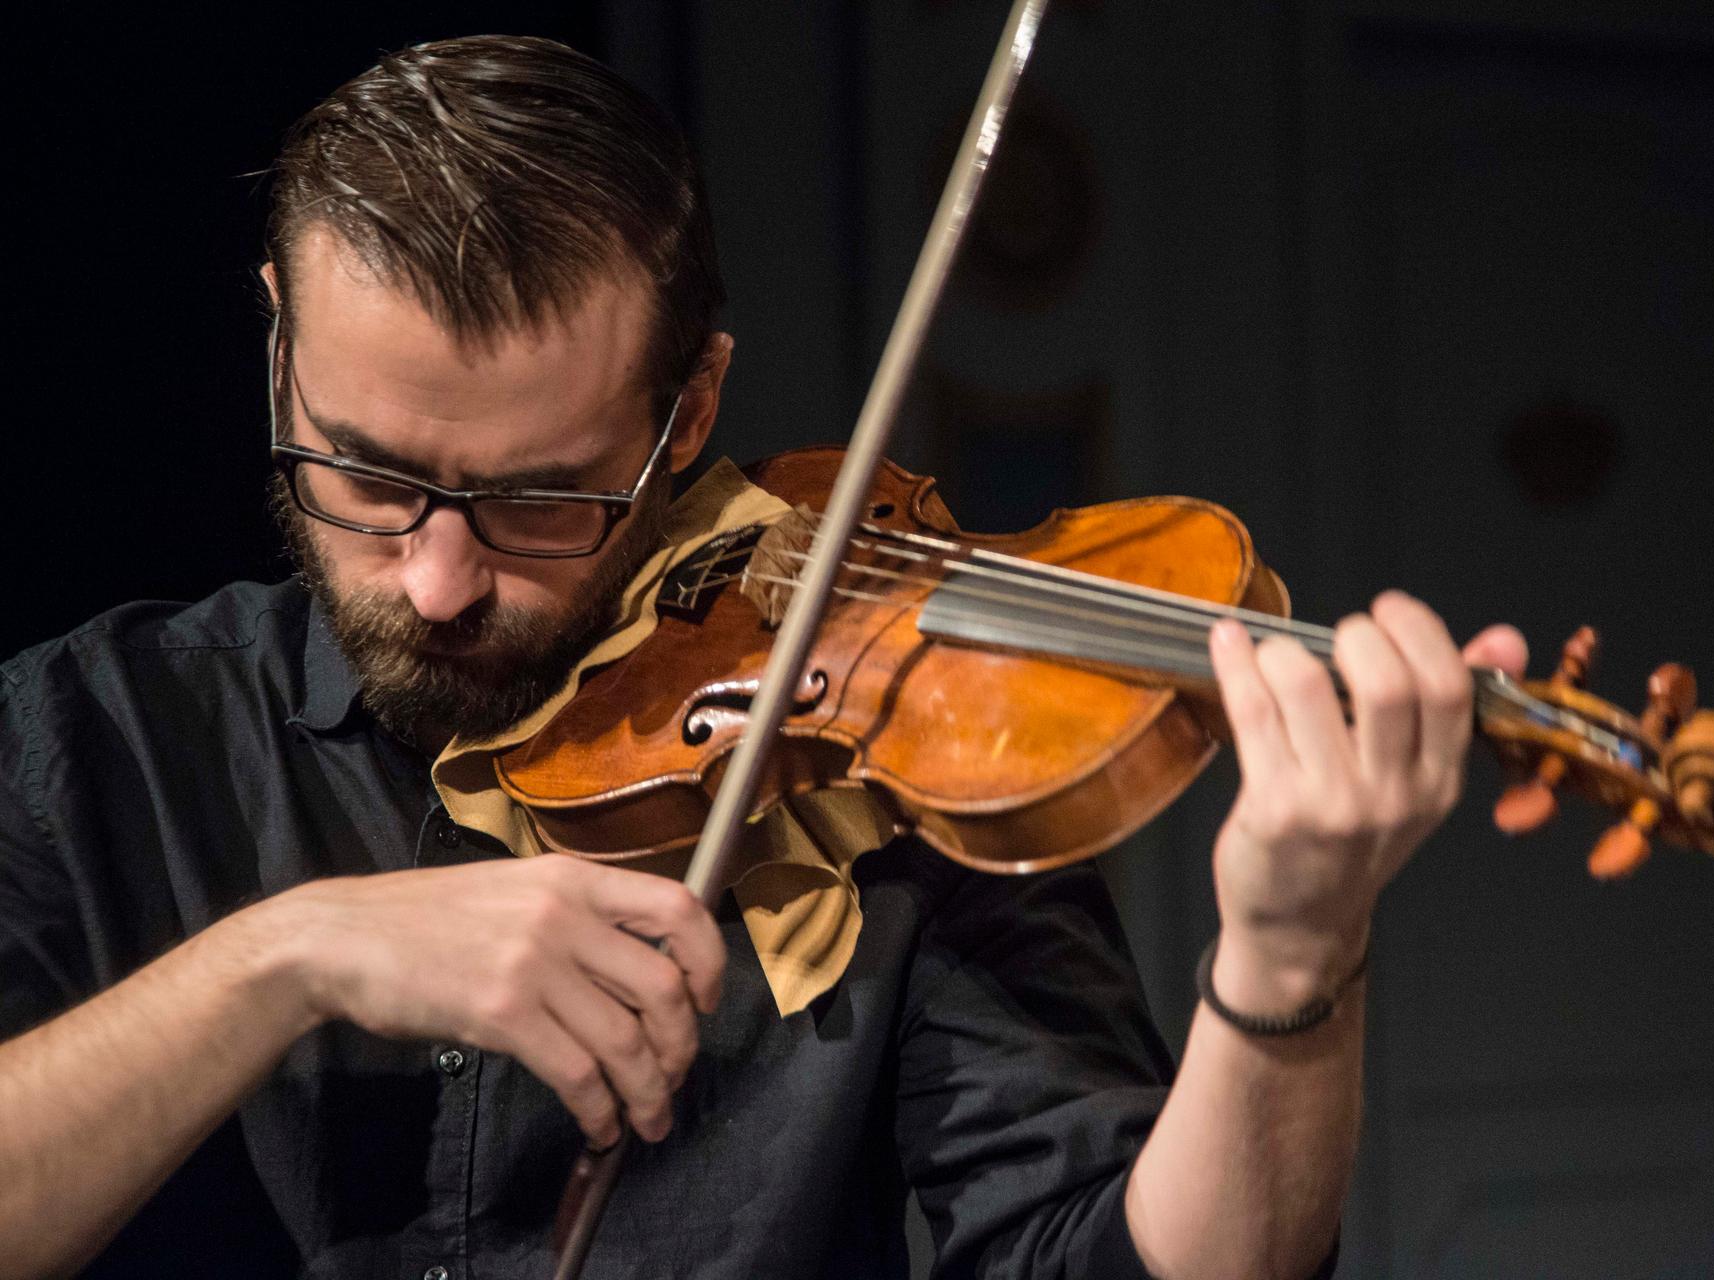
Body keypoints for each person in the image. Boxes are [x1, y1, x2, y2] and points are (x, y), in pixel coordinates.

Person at [0, 35, 1525, 1280]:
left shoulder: (882, 750)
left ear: (694, 406)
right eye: (370, 475)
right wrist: (287, 956)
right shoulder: (101, 733)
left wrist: (1291, 965)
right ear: (278, 344)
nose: (440, 576)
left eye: (543, 497)